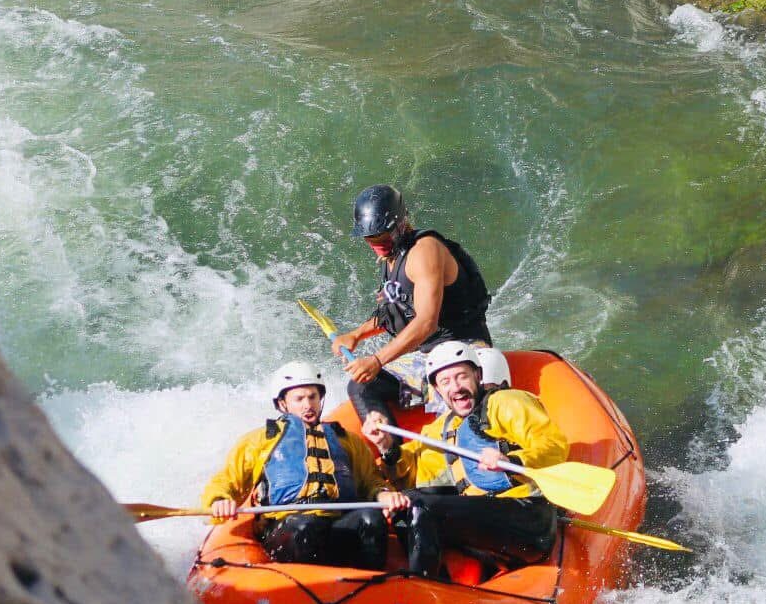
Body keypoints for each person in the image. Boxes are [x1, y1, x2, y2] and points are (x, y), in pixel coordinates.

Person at [361, 341, 567, 579]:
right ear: (437, 390)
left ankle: (421, 584)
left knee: (422, 507)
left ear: (478, 375)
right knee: (407, 503)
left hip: (528, 518)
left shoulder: (506, 402)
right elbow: (411, 473)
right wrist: (386, 446)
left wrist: (513, 461)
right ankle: (441, 582)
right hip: (488, 520)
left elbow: (554, 446)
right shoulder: (444, 426)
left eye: (462, 376)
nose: (456, 387)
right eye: (446, 382)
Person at [201, 361, 394, 570]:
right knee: (307, 525)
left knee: (371, 518)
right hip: (288, 527)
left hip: (338, 522)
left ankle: (372, 582)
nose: (308, 405)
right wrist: (220, 500)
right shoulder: (261, 440)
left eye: (313, 397)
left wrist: (383, 494)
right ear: (283, 403)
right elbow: (227, 480)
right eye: (299, 399)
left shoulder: (347, 440)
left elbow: (371, 481)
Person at [332, 184, 492, 424]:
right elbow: (396, 311)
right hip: (428, 354)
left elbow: (427, 322)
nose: (377, 243)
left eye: (382, 236)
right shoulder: (391, 257)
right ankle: (389, 445)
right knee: (360, 387)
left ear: (399, 224)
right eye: (370, 238)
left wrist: (377, 360)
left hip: (464, 348)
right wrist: (356, 335)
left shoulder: (424, 250)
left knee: (452, 394)